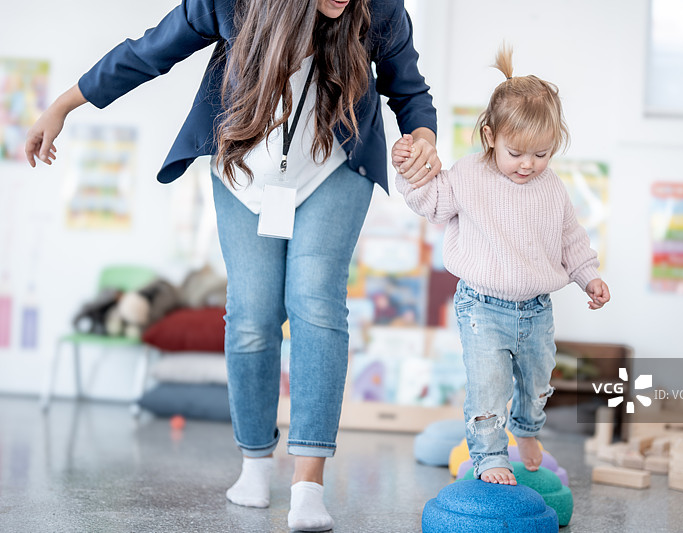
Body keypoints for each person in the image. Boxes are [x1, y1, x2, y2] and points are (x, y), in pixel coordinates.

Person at [25, 0, 440, 530]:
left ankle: (308, 483)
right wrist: (63, 105)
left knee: (313, 301)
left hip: (334, 165)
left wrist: (422, 137)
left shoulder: (376, 7)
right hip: (244, 165)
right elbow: (148, 52)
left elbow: (409, 88)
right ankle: (255, 462)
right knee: (251, 316)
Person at [392, 45, 610, 486]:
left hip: (536, 309)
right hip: (482, 307)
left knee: (538, 383)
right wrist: (409, 170)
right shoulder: (469, 175)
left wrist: (590, 277)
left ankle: (527, 432)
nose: (529, 165)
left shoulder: (551, 189)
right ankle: (490, 455)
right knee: (489, 386)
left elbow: (571, 239)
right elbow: (432, 203)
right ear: (490, 136)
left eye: (542, 154)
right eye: (517, 153)